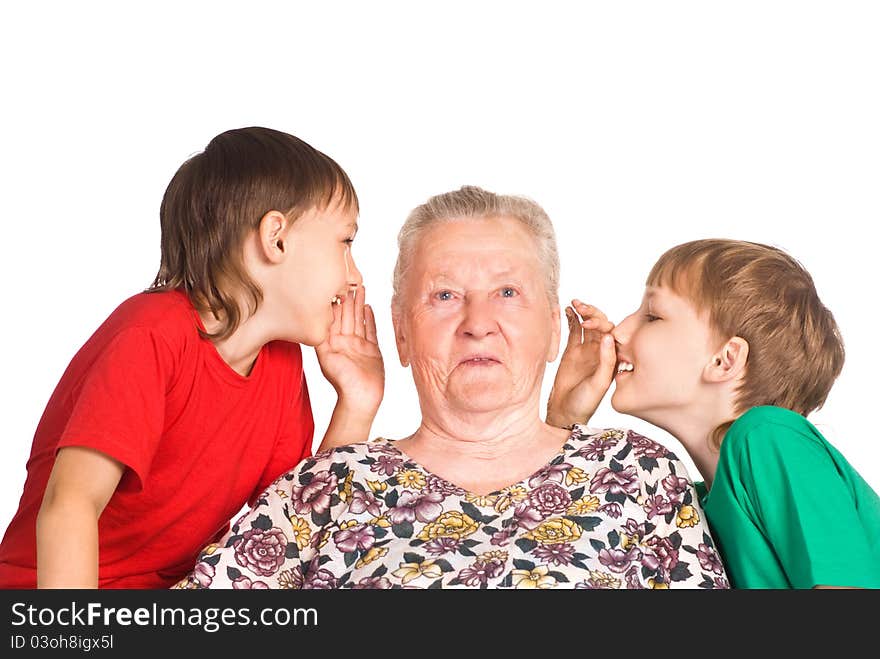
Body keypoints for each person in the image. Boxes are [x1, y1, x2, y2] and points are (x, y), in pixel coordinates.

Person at [174, 186, 728, 589]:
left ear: (554, 329)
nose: (478, 322)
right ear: (401, 332)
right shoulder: (323, 486)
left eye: (508, 292)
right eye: (444, 296)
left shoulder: (638, 474)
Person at [0, 127, 385, 589]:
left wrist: (356, 402)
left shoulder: (281, 365)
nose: (354, 277)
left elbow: (294, 526)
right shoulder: (152, 335)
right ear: (276, 238)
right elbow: (69, 505)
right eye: (346, 243)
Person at [548, 238, 880, 588]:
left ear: (724, 360)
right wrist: (564, 416)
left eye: (652, 316)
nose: (620, 330)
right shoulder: (685, 504)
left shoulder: (768, 437)